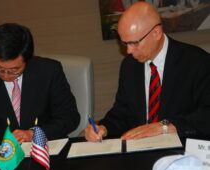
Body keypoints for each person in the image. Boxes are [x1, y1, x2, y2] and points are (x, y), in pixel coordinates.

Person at [85, 2, 210, 142]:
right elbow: (122, 112)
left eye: (134, 43)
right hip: (140, 150)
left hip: (182, 150)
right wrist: (103, 127)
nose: (128, 51)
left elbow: (206, 114)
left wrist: (163, 127)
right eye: (125, 43)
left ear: (156, 33)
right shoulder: (130, 66)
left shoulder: (196, 62)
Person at [0, 23, 80, 148]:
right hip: (4, 155)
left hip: (47, 149)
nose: (5, 76)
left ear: (27, 60)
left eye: (14, 70)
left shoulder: (49, 71)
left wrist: (33, 134)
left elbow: (70, 117)